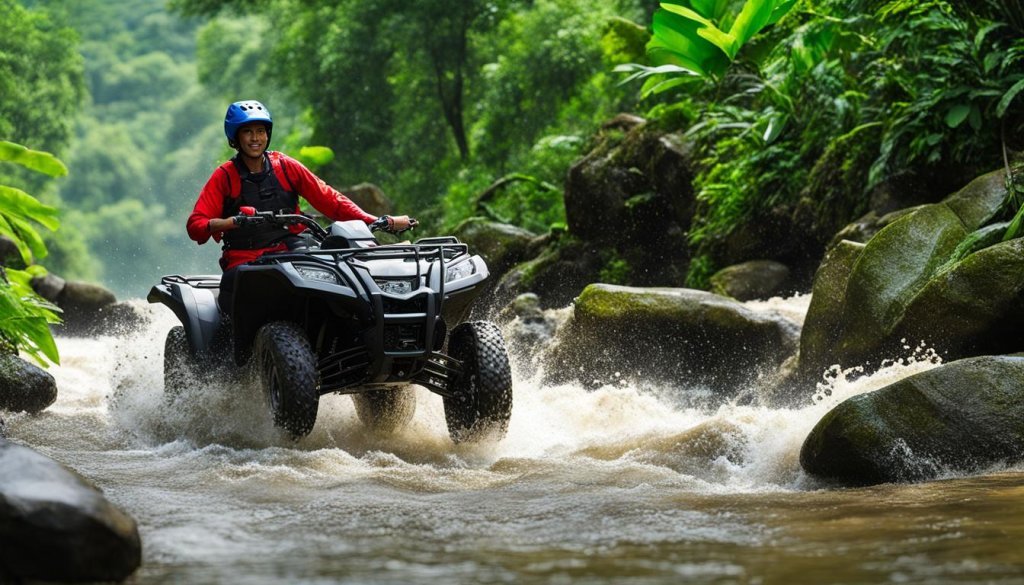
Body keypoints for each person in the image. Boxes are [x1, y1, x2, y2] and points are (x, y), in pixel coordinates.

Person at [187, 100, 415, 315]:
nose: (255, 138)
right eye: (248, 132)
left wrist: (377, 220)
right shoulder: (225, 176)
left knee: (338, 276)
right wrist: (233, 221)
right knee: (240, 290)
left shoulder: (285, 166)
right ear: (235, 137)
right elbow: (195, 225)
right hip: (246, 258)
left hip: (293, 249)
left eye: (261, 131)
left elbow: (330, 200)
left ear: (268, 134)